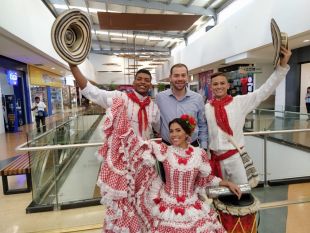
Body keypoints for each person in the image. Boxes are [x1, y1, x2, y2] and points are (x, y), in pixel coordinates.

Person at [97, 97, 241, 232]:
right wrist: (121, 120)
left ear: (187, 133)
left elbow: (204, 179)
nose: (173, 135)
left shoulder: (199, 154)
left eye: (178, 130)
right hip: (166, 206)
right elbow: (135, 145)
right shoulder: (164, 149)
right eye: (171, 131)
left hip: (192, 206)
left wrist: (226, 183)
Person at [205, 46, 292, 185]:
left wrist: (281, 67)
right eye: (215, 84)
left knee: (243, 192)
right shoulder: (207, 107)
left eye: (222, 83)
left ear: (228, 85)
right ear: (211, 87)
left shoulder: (239, 102)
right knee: (219, 196)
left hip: (235, 157)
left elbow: (264, 91)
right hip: (215, 159)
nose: (219, 86)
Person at [69, 64, 160, 139]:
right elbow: (92, 92)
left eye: (147, 80)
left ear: (150, 85)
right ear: (133, 83)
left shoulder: (153, 107)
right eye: (139, 79)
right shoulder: (120, 98)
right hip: (122, 155)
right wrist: (73, 66)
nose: (143, 82)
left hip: (144, 155)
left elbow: (159, 128)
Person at [156, 63, 208, 149]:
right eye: (176, 75)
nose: (180, 78)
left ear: (187, 77)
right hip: (167, 148)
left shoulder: (197, 98)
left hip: (192, 148)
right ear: (170, 78)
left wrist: (204, 148)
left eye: (183, 75)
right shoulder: (160, 98)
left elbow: (202, 125)